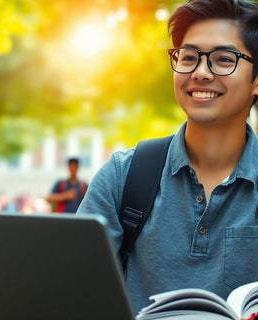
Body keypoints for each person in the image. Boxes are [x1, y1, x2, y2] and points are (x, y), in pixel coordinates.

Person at [77, 0, 258, 315]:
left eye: (223, 59)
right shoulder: (124, 176)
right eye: (189, 57)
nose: (200, 72)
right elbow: (69, 286)